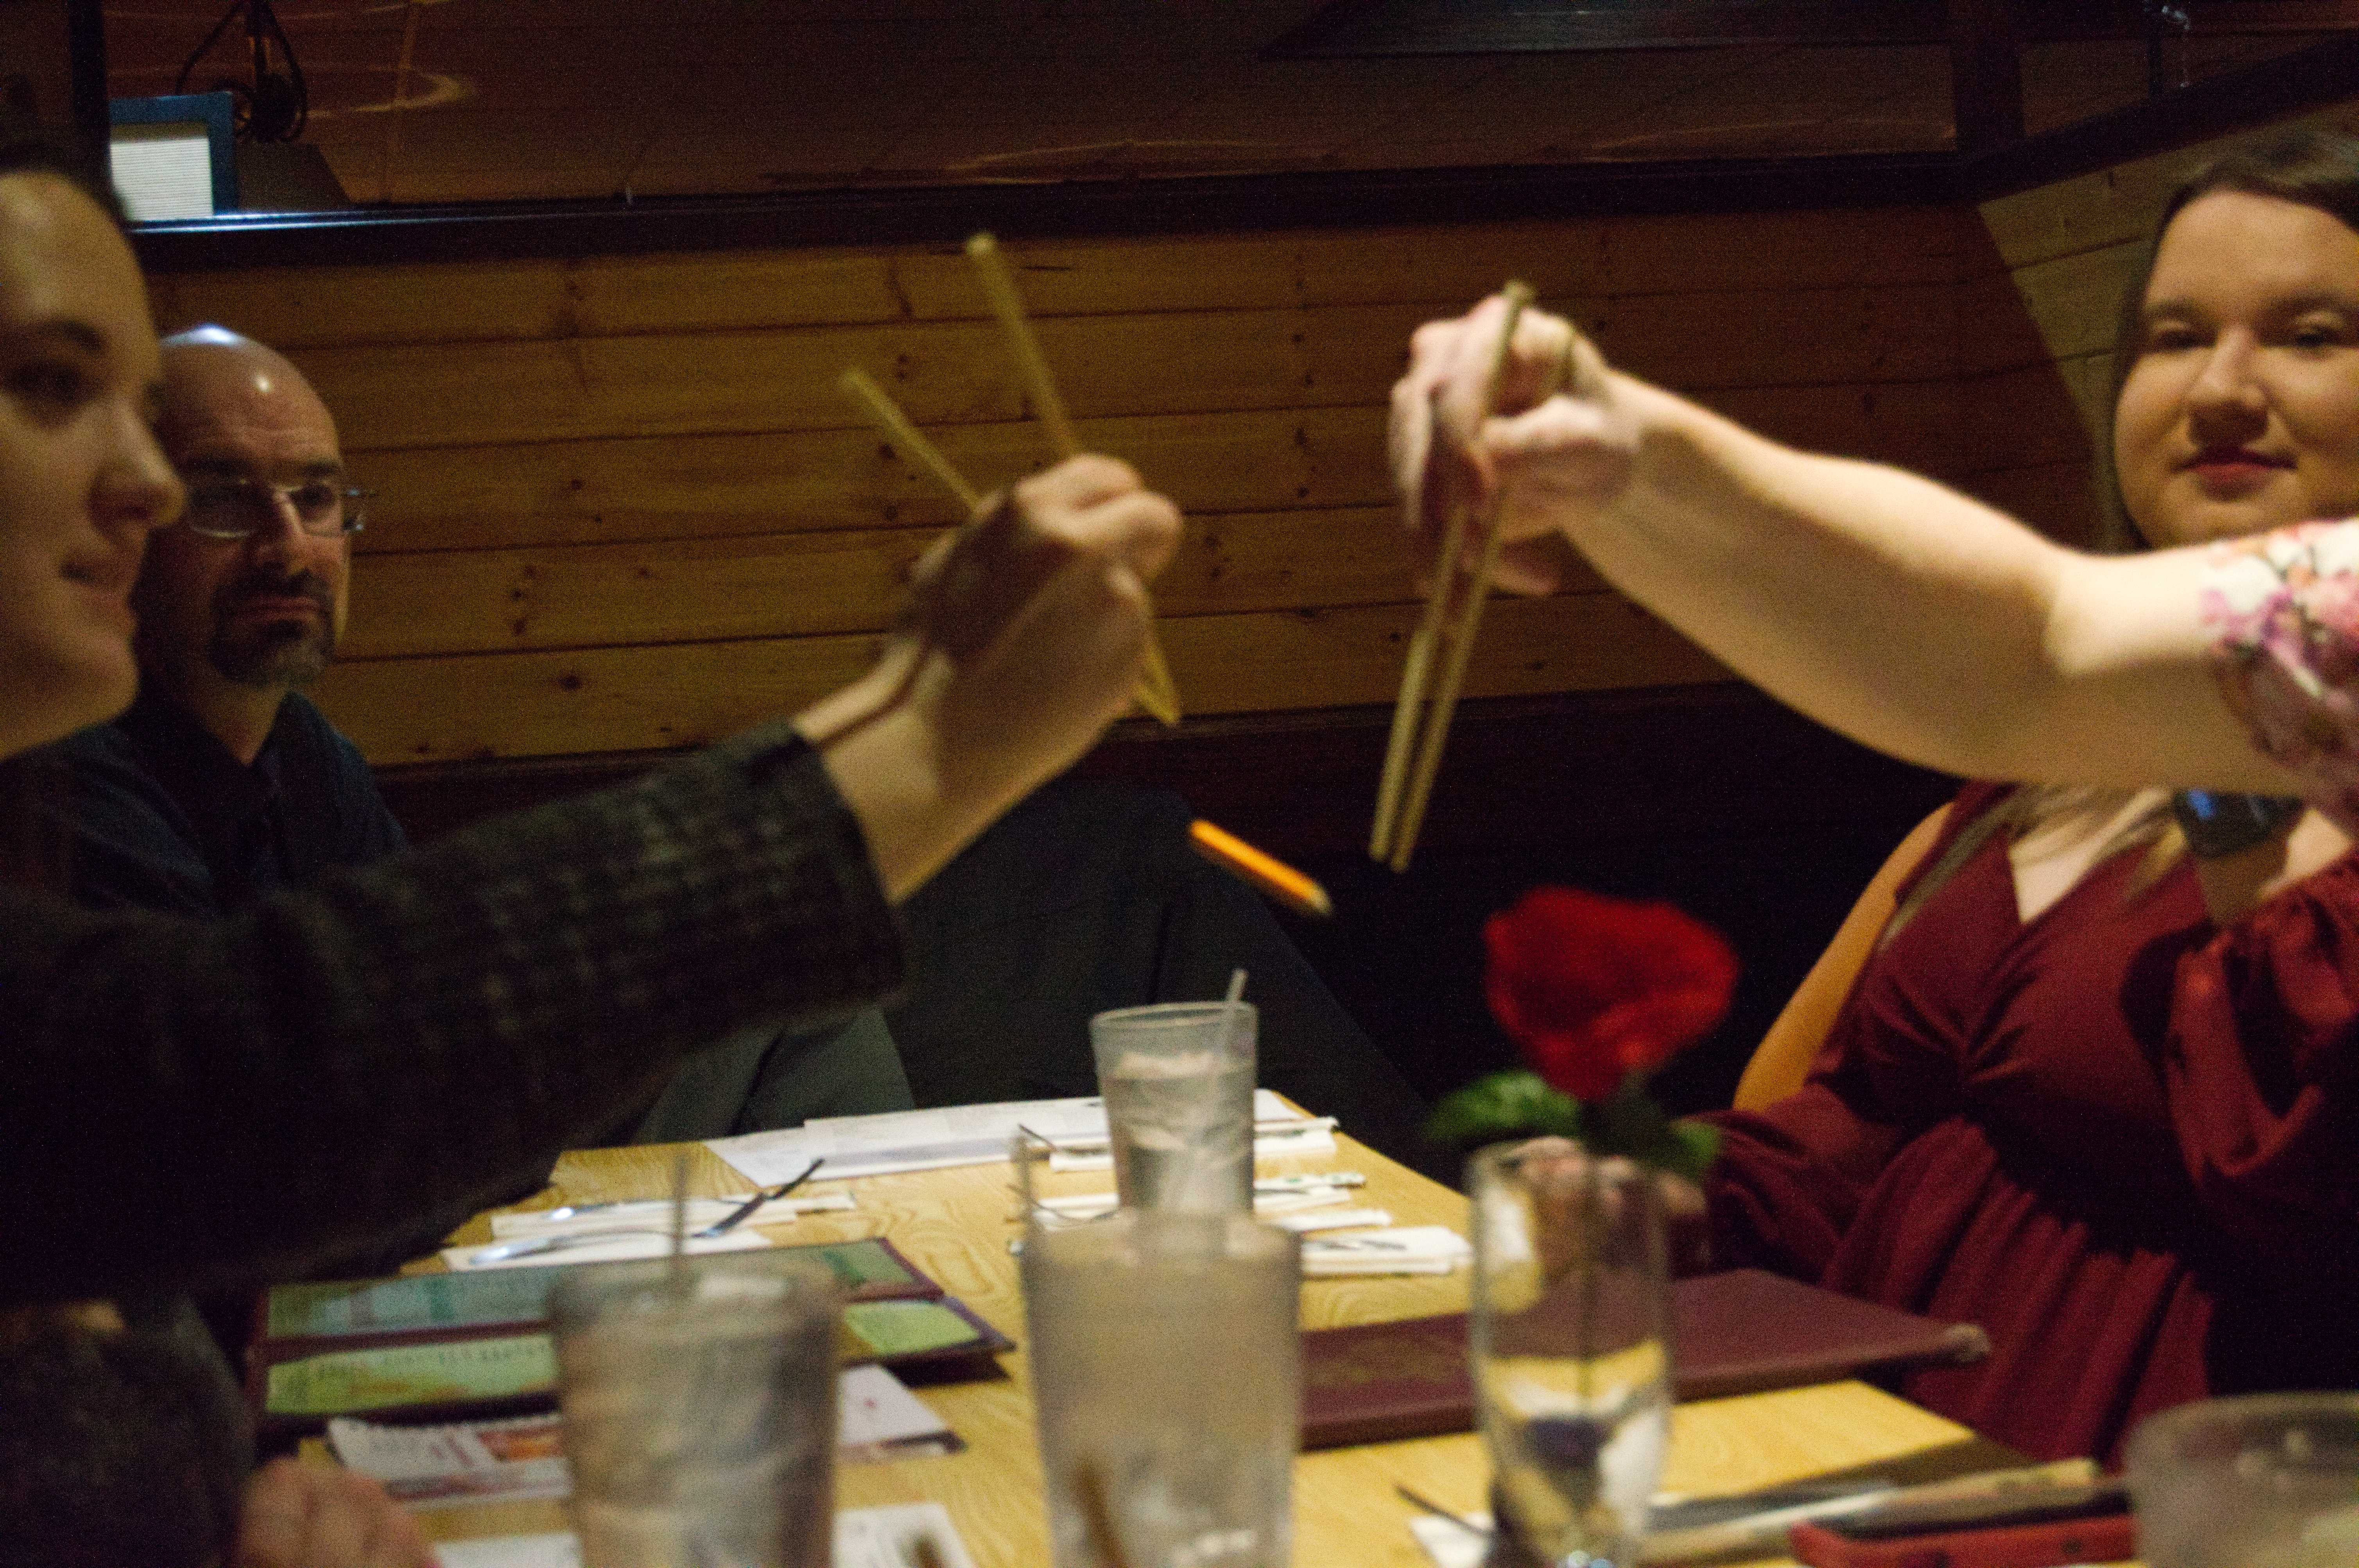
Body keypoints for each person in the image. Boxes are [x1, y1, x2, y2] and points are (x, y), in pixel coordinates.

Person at [0, 131, 1176, 1562]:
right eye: (56, 386)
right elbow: (252, 1073)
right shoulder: (73, 799)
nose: (138, 481)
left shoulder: (220, 777)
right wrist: (925, 734)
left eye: (315, 495)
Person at [1392, 129, 2359, 1461]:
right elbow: (1866, 1122)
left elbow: (2306, 1185)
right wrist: (1652, 1195)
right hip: (1863, 1461)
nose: (2219, 390)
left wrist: (1628, 456)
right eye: (2171, 334)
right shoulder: (2028, 789)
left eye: (2312, 335)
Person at [53, 326, 917, 1164]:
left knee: (788, 954)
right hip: (284, 1205)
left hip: (386, 1150)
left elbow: (411, 1006)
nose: (288, 548)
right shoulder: (70, 777)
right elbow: (237, 1111)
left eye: (315, 498)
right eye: (224, 501)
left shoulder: (306, 748)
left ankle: (895, 1274)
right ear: (130, 522)